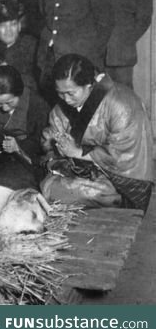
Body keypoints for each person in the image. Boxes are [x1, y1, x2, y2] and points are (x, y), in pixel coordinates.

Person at [41, 54, 153, 212]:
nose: (65, 99)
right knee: (47, 185)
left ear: (89, 85)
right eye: (60, 93)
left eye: (70, 93)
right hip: (88, 169)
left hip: (124, 181)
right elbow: (51, 135)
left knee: (82, 192)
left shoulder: (122, 104)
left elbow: (121, 157)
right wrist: (56, 146)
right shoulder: (70, 103)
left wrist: (77, 152)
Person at [37, 0, 114, 104]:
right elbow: (41, 14)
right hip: (50, 57)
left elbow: (106, 22)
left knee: (83, 108)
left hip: (81, 60)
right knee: (53, 105)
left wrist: (90, 54)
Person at [0, 65, 50, 190]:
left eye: (9, 102)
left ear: (19, 93)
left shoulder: (37, 105)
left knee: (6, 184)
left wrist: (18, 147)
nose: (4, 108)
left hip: (26, 161)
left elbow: (42, 141)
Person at [90, 0, 153, 89]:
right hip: (92, 55)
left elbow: (144, 19)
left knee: (123, 102)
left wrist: (123, 40)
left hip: (122, 58)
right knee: (92, 102)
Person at [0, 0, 39, 92]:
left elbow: (37, 81)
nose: (8, 30)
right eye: (3, 26)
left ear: (19, 26)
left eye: (13, 24)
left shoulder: (32, 45)